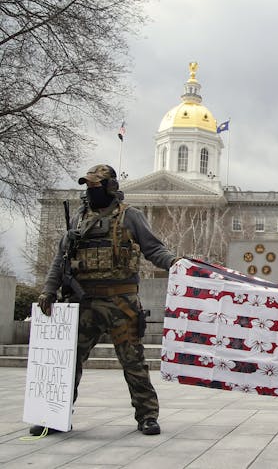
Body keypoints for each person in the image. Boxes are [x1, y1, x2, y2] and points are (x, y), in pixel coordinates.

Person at [32, 164, 177, 436]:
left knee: (133, 362)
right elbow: (59, 260)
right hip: (84, 303)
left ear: (110, 187)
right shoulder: (77, 220)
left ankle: (147, 415)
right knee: (69, 361)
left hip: (121, 302)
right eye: (87, 186)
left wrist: (175, 263)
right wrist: (48, 291)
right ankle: (55, 414)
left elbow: (154, 249)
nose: (90, 190)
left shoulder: (130, 216)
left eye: (95, 185)